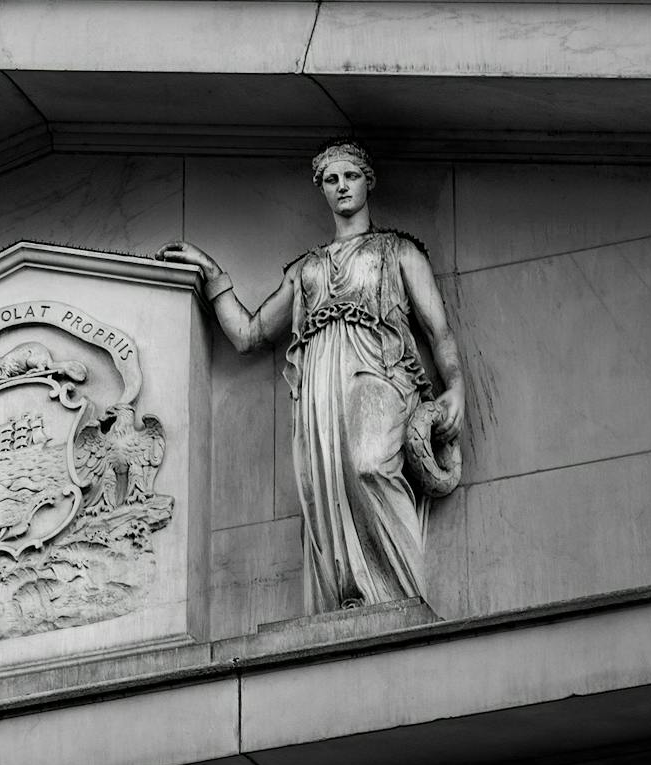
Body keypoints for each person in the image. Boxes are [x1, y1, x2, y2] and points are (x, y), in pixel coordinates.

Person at [158, 143, 465, 611]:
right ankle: (350, 595)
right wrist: (213, 275)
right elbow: (250, 333)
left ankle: (400, 592)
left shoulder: (398, 251)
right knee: (327, 490)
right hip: (321, 387)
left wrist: (455, 386)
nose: (341, 186)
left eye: (350, 176)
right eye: (331, 179)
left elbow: (438, 332)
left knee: (368, 465)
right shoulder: (307, 269)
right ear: (321, 189)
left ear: (369, 181)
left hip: (377, 374)